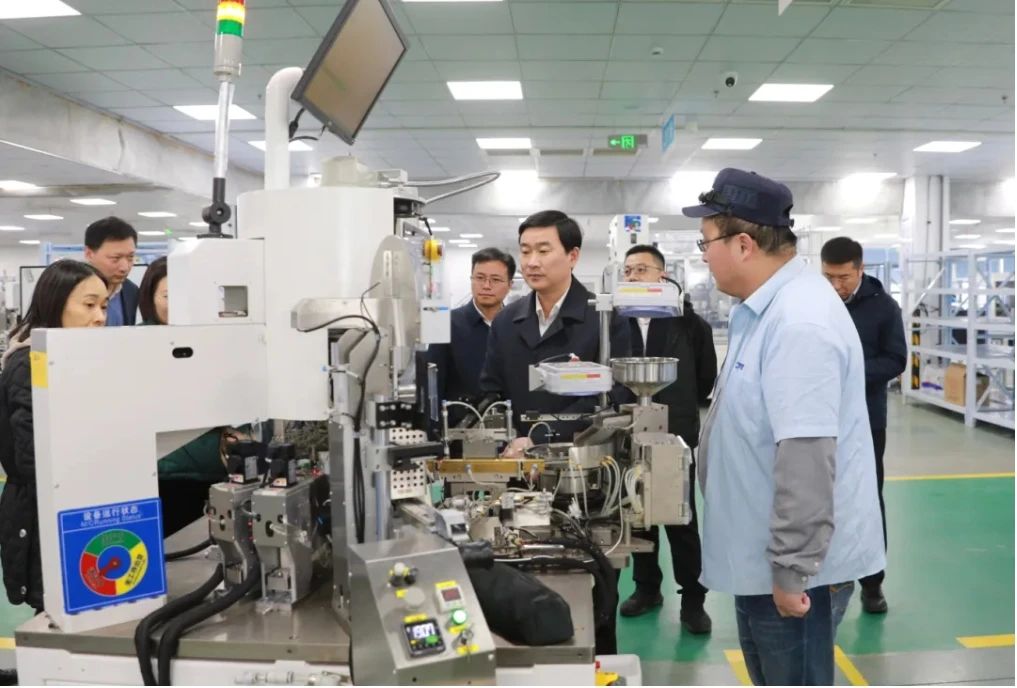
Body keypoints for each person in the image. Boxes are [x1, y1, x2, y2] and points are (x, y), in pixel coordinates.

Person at [685, 169, 885, 685]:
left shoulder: (800, 322)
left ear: (743, 245)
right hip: (764, 557)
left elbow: (807, 458)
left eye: (706, 242)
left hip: (798, 574)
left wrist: (793, 569)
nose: (704, 256)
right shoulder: (766, 309)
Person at [478, 210, 630, 655]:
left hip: (588, 480)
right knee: (523, 587)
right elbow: (490, 390)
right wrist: (499, 436)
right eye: (526, 251)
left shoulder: (605, 319)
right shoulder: (508, 321)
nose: (532, 261)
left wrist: (543, 440)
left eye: (544, 250)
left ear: (573, 256)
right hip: (519, 479)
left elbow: (618, 396)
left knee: (595, 596)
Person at [617, 244, 716, 635]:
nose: (632, 276)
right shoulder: (615, 323)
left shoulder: (688, 324)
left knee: (680, 517)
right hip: (627, 431)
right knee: (638, 514)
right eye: (627, 270)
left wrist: (680, 409)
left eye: (641, 269)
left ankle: (693, 599)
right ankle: (647, 588)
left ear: (662, 275)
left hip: (674, 434)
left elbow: (705, 379)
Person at [0, 260, 108, 613]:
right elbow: (32, 457)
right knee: (54, 613)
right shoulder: (29, 364)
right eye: (88, 305)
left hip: (76, 506)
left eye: (104, 306)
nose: (99, 317)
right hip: (42, 516)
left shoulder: (79, 360)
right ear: (55, 304)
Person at [821, 237, 907, 616]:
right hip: (822, 418)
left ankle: (873, 583)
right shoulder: (818, 303)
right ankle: (826, 574)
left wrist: (850, 373)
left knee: (868, 497)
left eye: (843, 277)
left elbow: (896, 360)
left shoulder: (884, 308)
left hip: (867, 421)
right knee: (821, 495)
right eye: (828, 276)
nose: (836, 285)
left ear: (860, 270)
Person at [137, 256, 231, 536]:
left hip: (216, 475)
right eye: (168, 295)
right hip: (165, 477)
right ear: (150, 298)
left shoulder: (218, 341)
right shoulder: (134, 345)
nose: (178, 303)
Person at [427, 247, 515, 425]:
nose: (486, 286)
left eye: (495, 280)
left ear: (510, 285)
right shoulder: (446, 323)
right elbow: (433, 386)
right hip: (458, 430)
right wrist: (433, 433)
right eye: (480, 278)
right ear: (471, 279)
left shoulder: (517, 325)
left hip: (511, 429)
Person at [83, 216, 139, 326]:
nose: (124, 267)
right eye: (115, 258)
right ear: (89, 254)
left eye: (130, 258)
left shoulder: (131, 291)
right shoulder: (71, 292)